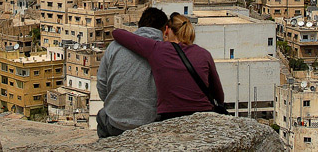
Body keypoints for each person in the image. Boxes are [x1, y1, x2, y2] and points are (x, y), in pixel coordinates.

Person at [111, 12, 223, 121]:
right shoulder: (204, 54)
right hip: (203, 113)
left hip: (171, 116)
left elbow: (117, 33)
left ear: (167, 30)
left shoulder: (157, 49)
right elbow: (219, 94)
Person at [96, 7, 168, 138]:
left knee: (102, 117)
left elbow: (101, 83)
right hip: (150, 123)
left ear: (139, 26)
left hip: (115, 124)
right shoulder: (166, 51)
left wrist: (115, 102)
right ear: (165, 30)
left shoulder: (114, 46)